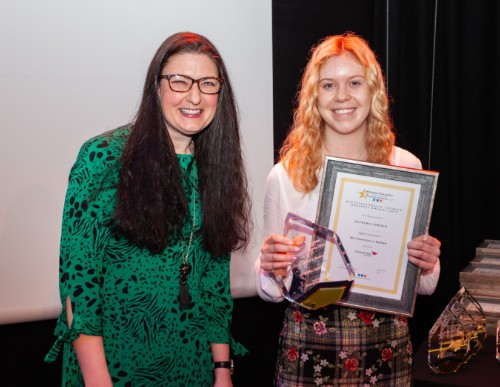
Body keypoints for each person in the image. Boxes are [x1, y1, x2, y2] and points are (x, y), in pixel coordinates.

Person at [45, 31, 251, 387]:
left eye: (207, 83)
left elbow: (215, 285)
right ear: (156, 87)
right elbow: (79, 288)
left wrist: (222, 372)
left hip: (192, 368)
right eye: (179, 81)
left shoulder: (215, 168)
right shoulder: (104, 158)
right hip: (113, 368)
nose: (194, 96)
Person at [255, 33, 441, 386]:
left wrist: (429, 261)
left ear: (373, 91)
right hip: (310, 343)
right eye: (329, 85)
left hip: (385, 344)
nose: (342, 96)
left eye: (354, 82)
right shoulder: (285, 175)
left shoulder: (405, 166)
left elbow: (424, 286)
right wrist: (270, 266)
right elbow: (271, 290)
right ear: (314, 97)